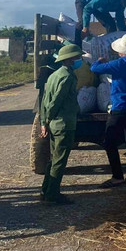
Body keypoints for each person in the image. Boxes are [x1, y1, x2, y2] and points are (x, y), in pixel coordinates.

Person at [91, 34, 126, 186]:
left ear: (122, 51)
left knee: (109, 142)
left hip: (120, 109)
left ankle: (117, 176)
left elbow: (95, 69)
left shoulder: (119, 64)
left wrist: (99, 60)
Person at [38, 44, 82, 204]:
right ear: (71, 59)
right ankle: (52, 195)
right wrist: (48, 118)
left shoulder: (54, 75)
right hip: (63, 124)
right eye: (77, 57)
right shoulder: (67, 77)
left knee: (53, 159)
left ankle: (46, 190)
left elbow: (44, 100)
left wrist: (44, 122)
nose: (79, 60)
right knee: (59, 161)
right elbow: (56, 101)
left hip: (54, 124)